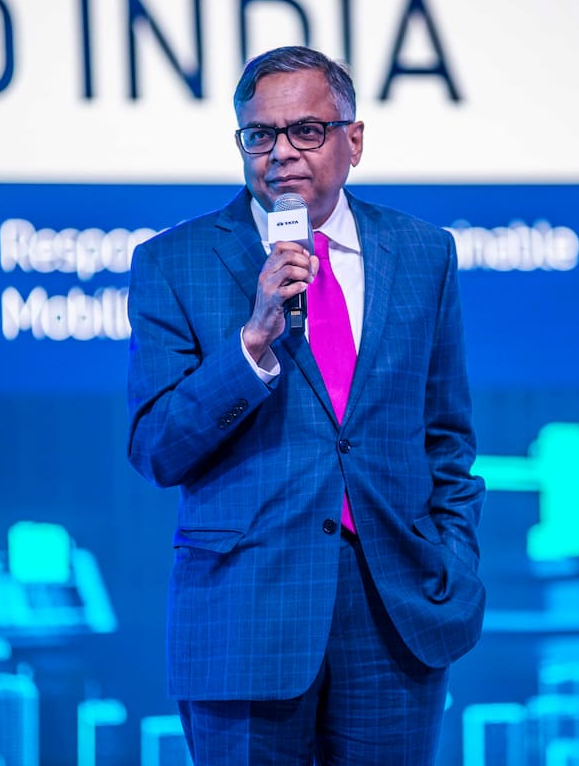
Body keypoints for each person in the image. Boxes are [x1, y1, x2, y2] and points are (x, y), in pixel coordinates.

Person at [126, 45, 485, 765]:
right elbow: (157, 446)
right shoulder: (175, 261)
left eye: (306, 131)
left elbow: (447, 436)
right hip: (244, 615)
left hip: (396, 612)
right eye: (260, 135)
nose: (281, 152)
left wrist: (455, 560)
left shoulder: (422, 254)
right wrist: (252, 344)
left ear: (353, 139)